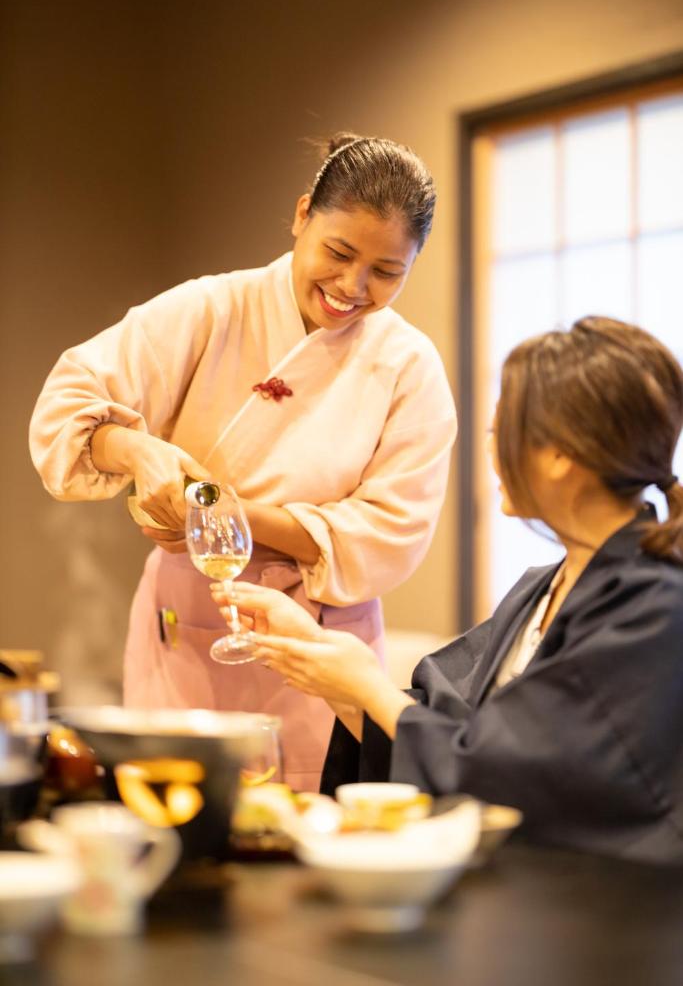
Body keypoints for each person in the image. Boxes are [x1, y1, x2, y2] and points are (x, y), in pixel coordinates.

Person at [29, 134, 457, 791]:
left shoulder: (408, 365)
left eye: (386, 272)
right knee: (182, 820)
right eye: (338, 253)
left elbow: (390, 534)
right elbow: (68, 405)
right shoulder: (211, 308)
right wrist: (139, 451)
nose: (352, 286)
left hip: (320, 641)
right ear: (301, 214)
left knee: (318, 839)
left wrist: (218, 513)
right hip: (188, 622)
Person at [215, 317, 683, 863]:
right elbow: (448, 727)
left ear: (560, 454)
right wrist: (325, 662)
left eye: (501, 431)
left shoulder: (655, 608)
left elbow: (522, 771)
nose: (491, 449)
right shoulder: (544, 586)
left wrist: (367, 688)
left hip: (605, 911)